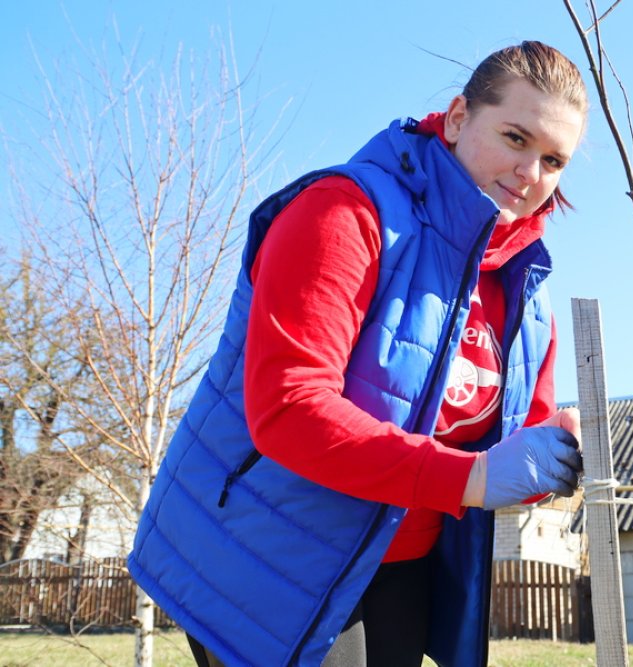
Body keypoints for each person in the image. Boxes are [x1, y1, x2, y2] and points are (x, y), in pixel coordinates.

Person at [128, 40, 588, 667]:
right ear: (458, 118)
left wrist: (556, 457)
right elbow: (289, 410)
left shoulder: (525, 290)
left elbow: (510, 450)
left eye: (554, 160)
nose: (531, 172)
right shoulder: (345, 213)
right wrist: (472, 479)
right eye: (515, 137)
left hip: (402, 568)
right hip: (269, 553)